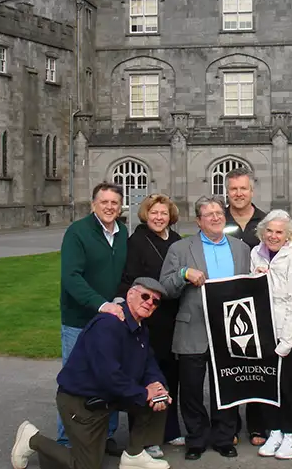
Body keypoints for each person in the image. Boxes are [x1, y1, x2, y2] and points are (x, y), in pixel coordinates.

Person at [11, 278, 173, 469]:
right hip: (81, 402)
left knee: (159, 396)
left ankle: (134, 455)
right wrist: (146, 393)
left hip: (107, 396)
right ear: (130, 295)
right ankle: (32, 439)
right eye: (145, 296)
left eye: (155, 301)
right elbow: (108, 376)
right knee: (86, 466)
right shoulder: (107, 325)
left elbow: (149, 364)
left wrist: (157, 385)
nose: (149, 303)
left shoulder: (140, 328)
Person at [160, 195, 251, 461]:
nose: (215, 217)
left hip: (230, 329)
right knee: (191, 388)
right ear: (199, 221)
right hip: (193, 327)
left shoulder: (240, 248)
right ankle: (197, 438)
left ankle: (224, 437)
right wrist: (183, 274)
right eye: (208, 214)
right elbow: (165, 287)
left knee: (226, 386)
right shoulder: (180, 248)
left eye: (218, 213)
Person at [57, 182, 128, 452]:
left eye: (114, 203)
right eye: (104, 202)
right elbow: (71, 278)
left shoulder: (123, 233)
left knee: (109, 377)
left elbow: (124, 274)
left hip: (111, 321)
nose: (109, 207)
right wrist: (101, 304)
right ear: (93, 205)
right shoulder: (78, 232)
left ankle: (105, 435)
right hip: (79, 320)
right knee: (76, 381)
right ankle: (67, 440)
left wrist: (119, 301)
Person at [117, 194, 183, 458]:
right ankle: (144, 437)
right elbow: (132, 280)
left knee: (171, 374)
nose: (158, 217)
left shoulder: (177, 241)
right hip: (148, 316)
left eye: (163, 213)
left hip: (173, 317)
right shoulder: (137, 241)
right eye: (154, 213)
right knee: (145, 376)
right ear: (146, 214)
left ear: (170, 216)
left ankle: (170, 427)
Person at [250, 210, 292, 460]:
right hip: (265, 331)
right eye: (270, 231)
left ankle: (291, 434)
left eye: (279, 232)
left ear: (288, 235)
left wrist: (286, 341)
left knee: (286, 385)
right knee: (267, 384)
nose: (273, 236)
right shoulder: (256, 254)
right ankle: (274, 430)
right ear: (262, 232)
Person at [221, 166, 268, 446]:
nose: (238, 194)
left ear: (252, 190)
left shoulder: (265, 221)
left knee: (256, 366)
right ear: (227, 192)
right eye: (233, 189)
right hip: (224, 303)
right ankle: (231, 425)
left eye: (243, 189)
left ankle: (258, 425)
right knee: (229, 366)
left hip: (259, 303)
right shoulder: (218, 219)